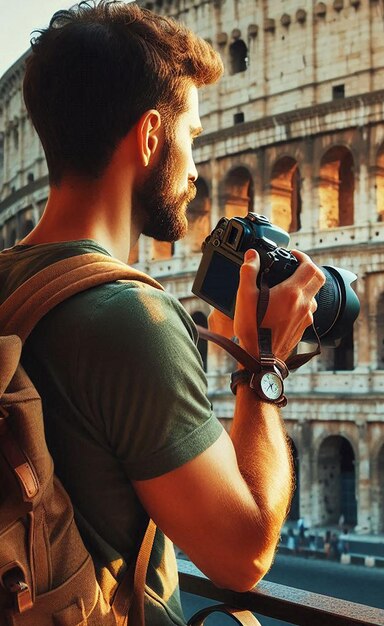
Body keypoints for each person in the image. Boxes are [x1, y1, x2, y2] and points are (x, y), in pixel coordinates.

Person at [0, 2, 324, 625]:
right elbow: (243, 555)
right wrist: (260, 369)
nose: (197, 173)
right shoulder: (132, 319)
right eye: (192, 139)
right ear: (151, 137)